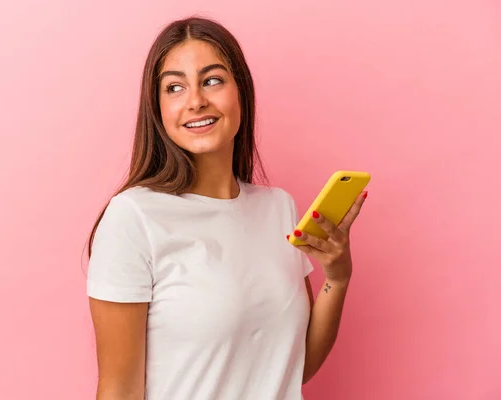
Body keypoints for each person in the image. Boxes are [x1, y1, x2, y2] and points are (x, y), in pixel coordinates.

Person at [86, 16, 367, 400]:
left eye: (213, 80)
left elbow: (294, 367)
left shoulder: (278, 209)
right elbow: (120, 389)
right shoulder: (134, 217)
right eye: (174, 87)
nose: (196, 100)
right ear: (158, 108)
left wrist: (338, 276)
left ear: (241, 92)